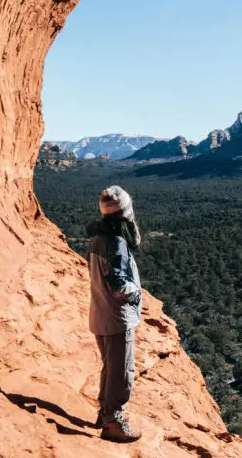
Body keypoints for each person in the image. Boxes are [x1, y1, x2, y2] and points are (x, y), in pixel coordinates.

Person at [87, 185, 143, 443]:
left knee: (109, 367)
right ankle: (113, 421)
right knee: (122, 371)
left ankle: (104, 411)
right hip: (117, 317)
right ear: (125, 212)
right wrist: (135, 293)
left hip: (99, 313)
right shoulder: (117, 242)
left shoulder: (98, 237)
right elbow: (118, 283)